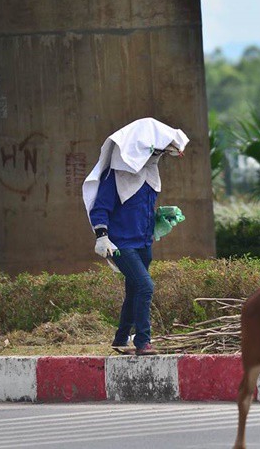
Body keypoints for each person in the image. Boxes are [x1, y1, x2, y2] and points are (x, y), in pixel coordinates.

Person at [82, 118, 189, 355]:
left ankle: (120, 339)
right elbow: (100, 207)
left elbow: (142, 207)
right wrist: (101, 236)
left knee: (134, 291)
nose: (157, 157)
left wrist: (159, 217)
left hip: (143, 242)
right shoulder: (115, 176)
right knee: (145, 286)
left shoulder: (150, 173)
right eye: (155, 152)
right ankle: (142, 341)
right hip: (120, 244)